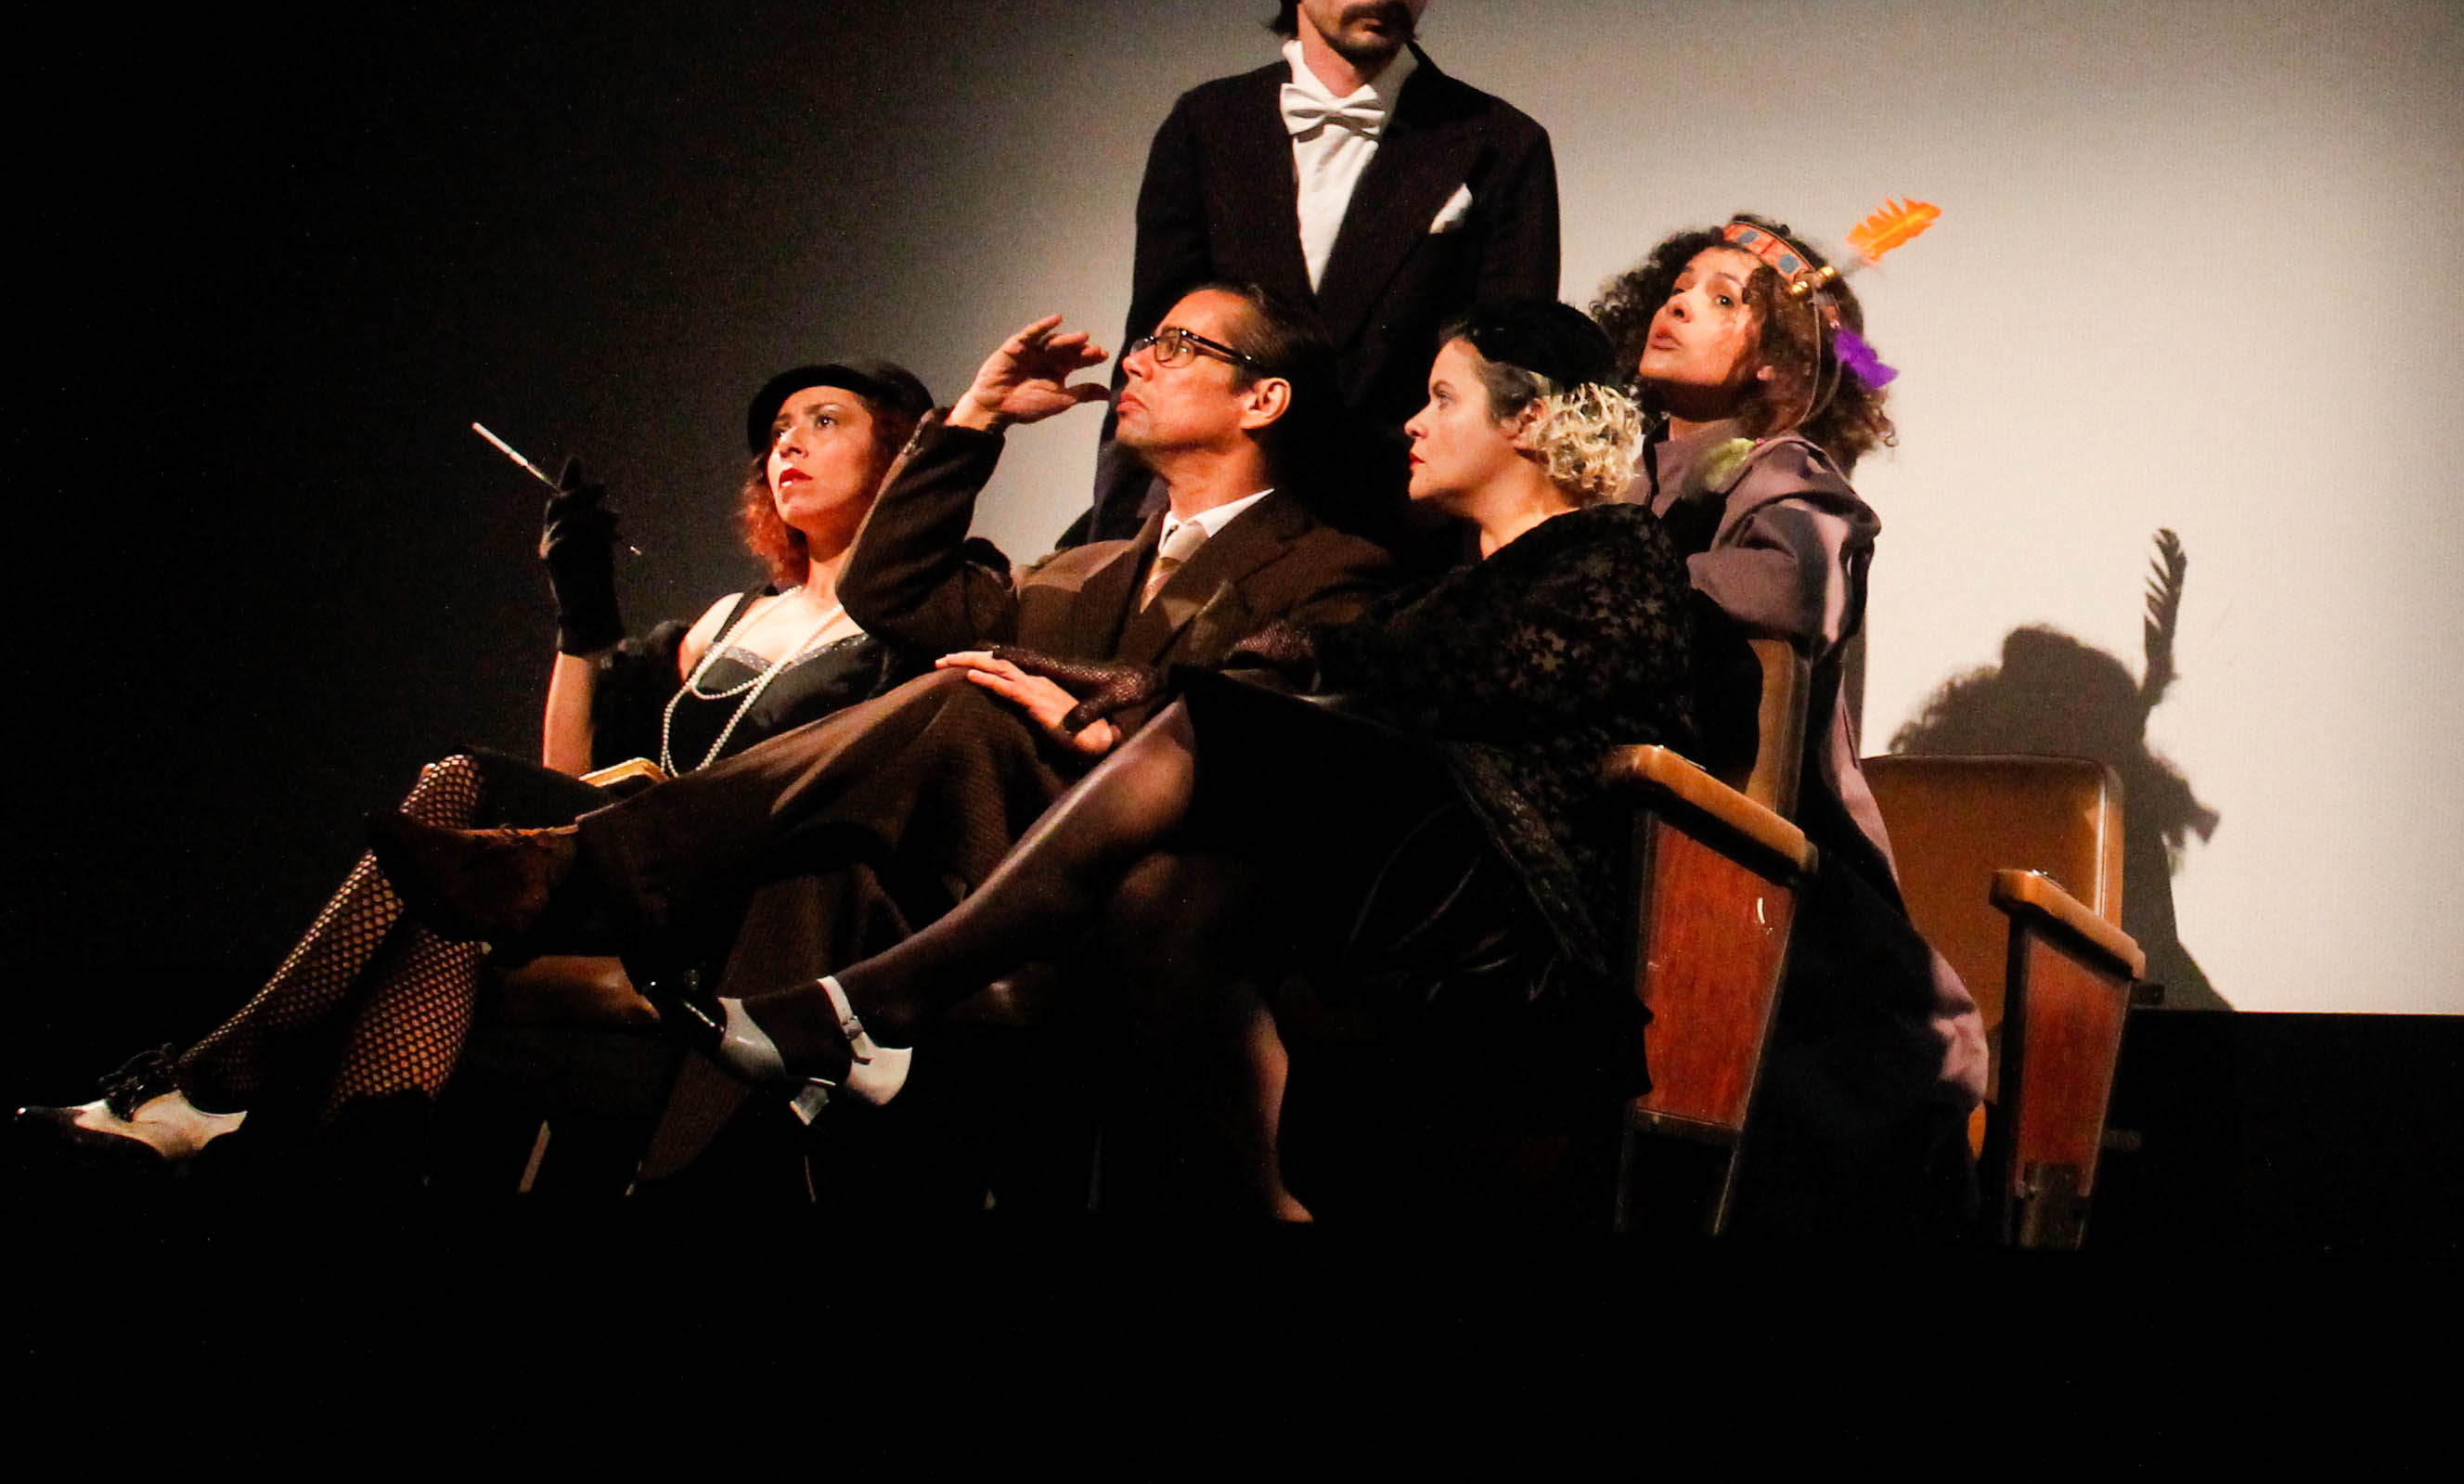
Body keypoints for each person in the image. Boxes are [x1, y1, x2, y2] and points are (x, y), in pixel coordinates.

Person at [371, 283, 1392, 1184]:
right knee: (822, 865)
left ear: (1263, 398)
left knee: (961, 698)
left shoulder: (1335, 568)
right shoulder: (1077, 569)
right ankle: (699, 1178)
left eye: (1177, 346)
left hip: (1144, 891)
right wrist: (976, 417)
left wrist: (1100, 724)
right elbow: (890, 591)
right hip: (983, 875)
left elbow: (1262, 739)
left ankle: (586, 869)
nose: (1136, 360)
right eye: (1145, 341)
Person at [684, 303, 1689, 1218]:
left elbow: (1454, 679)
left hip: (1512, 904)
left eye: (1442, 399)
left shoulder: (1620, 553)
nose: (1413, 424)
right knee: (1161, 894)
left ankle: (875, 1001)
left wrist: (1151, 702)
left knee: (1213, 716)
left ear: (1526, 420)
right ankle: (1277, 1208)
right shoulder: (1440, 591)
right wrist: (1124, 687)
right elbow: (1351, 669)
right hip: (1383, 883)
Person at [18, 360, 938, 1170]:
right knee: (448, 904)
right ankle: (345, 1172)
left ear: (898, 456)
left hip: (752, 910)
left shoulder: (922, 615)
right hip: (624, 879)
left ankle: (218, 1081)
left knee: (459, 798)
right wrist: (580, 616)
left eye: (825, 421)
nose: (787, 444)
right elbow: (569, 783)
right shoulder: (727, 621)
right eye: (777, 430)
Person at [1593, 217, 1987, 1235]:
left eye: (1723, 297)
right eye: (1678, 285)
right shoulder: (1616, 472)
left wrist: (1586, 589)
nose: (1679, 303)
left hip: (1766, 876)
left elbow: (1793, 585)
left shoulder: (1782, 473)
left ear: (1775, 359)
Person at [1096, 0, 1561, 548]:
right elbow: (1156, 347)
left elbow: (1510, 389)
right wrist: (1118, 538)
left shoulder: (1501, 146)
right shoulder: (1207, 127)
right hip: (1212, 533)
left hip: (1396, 548)